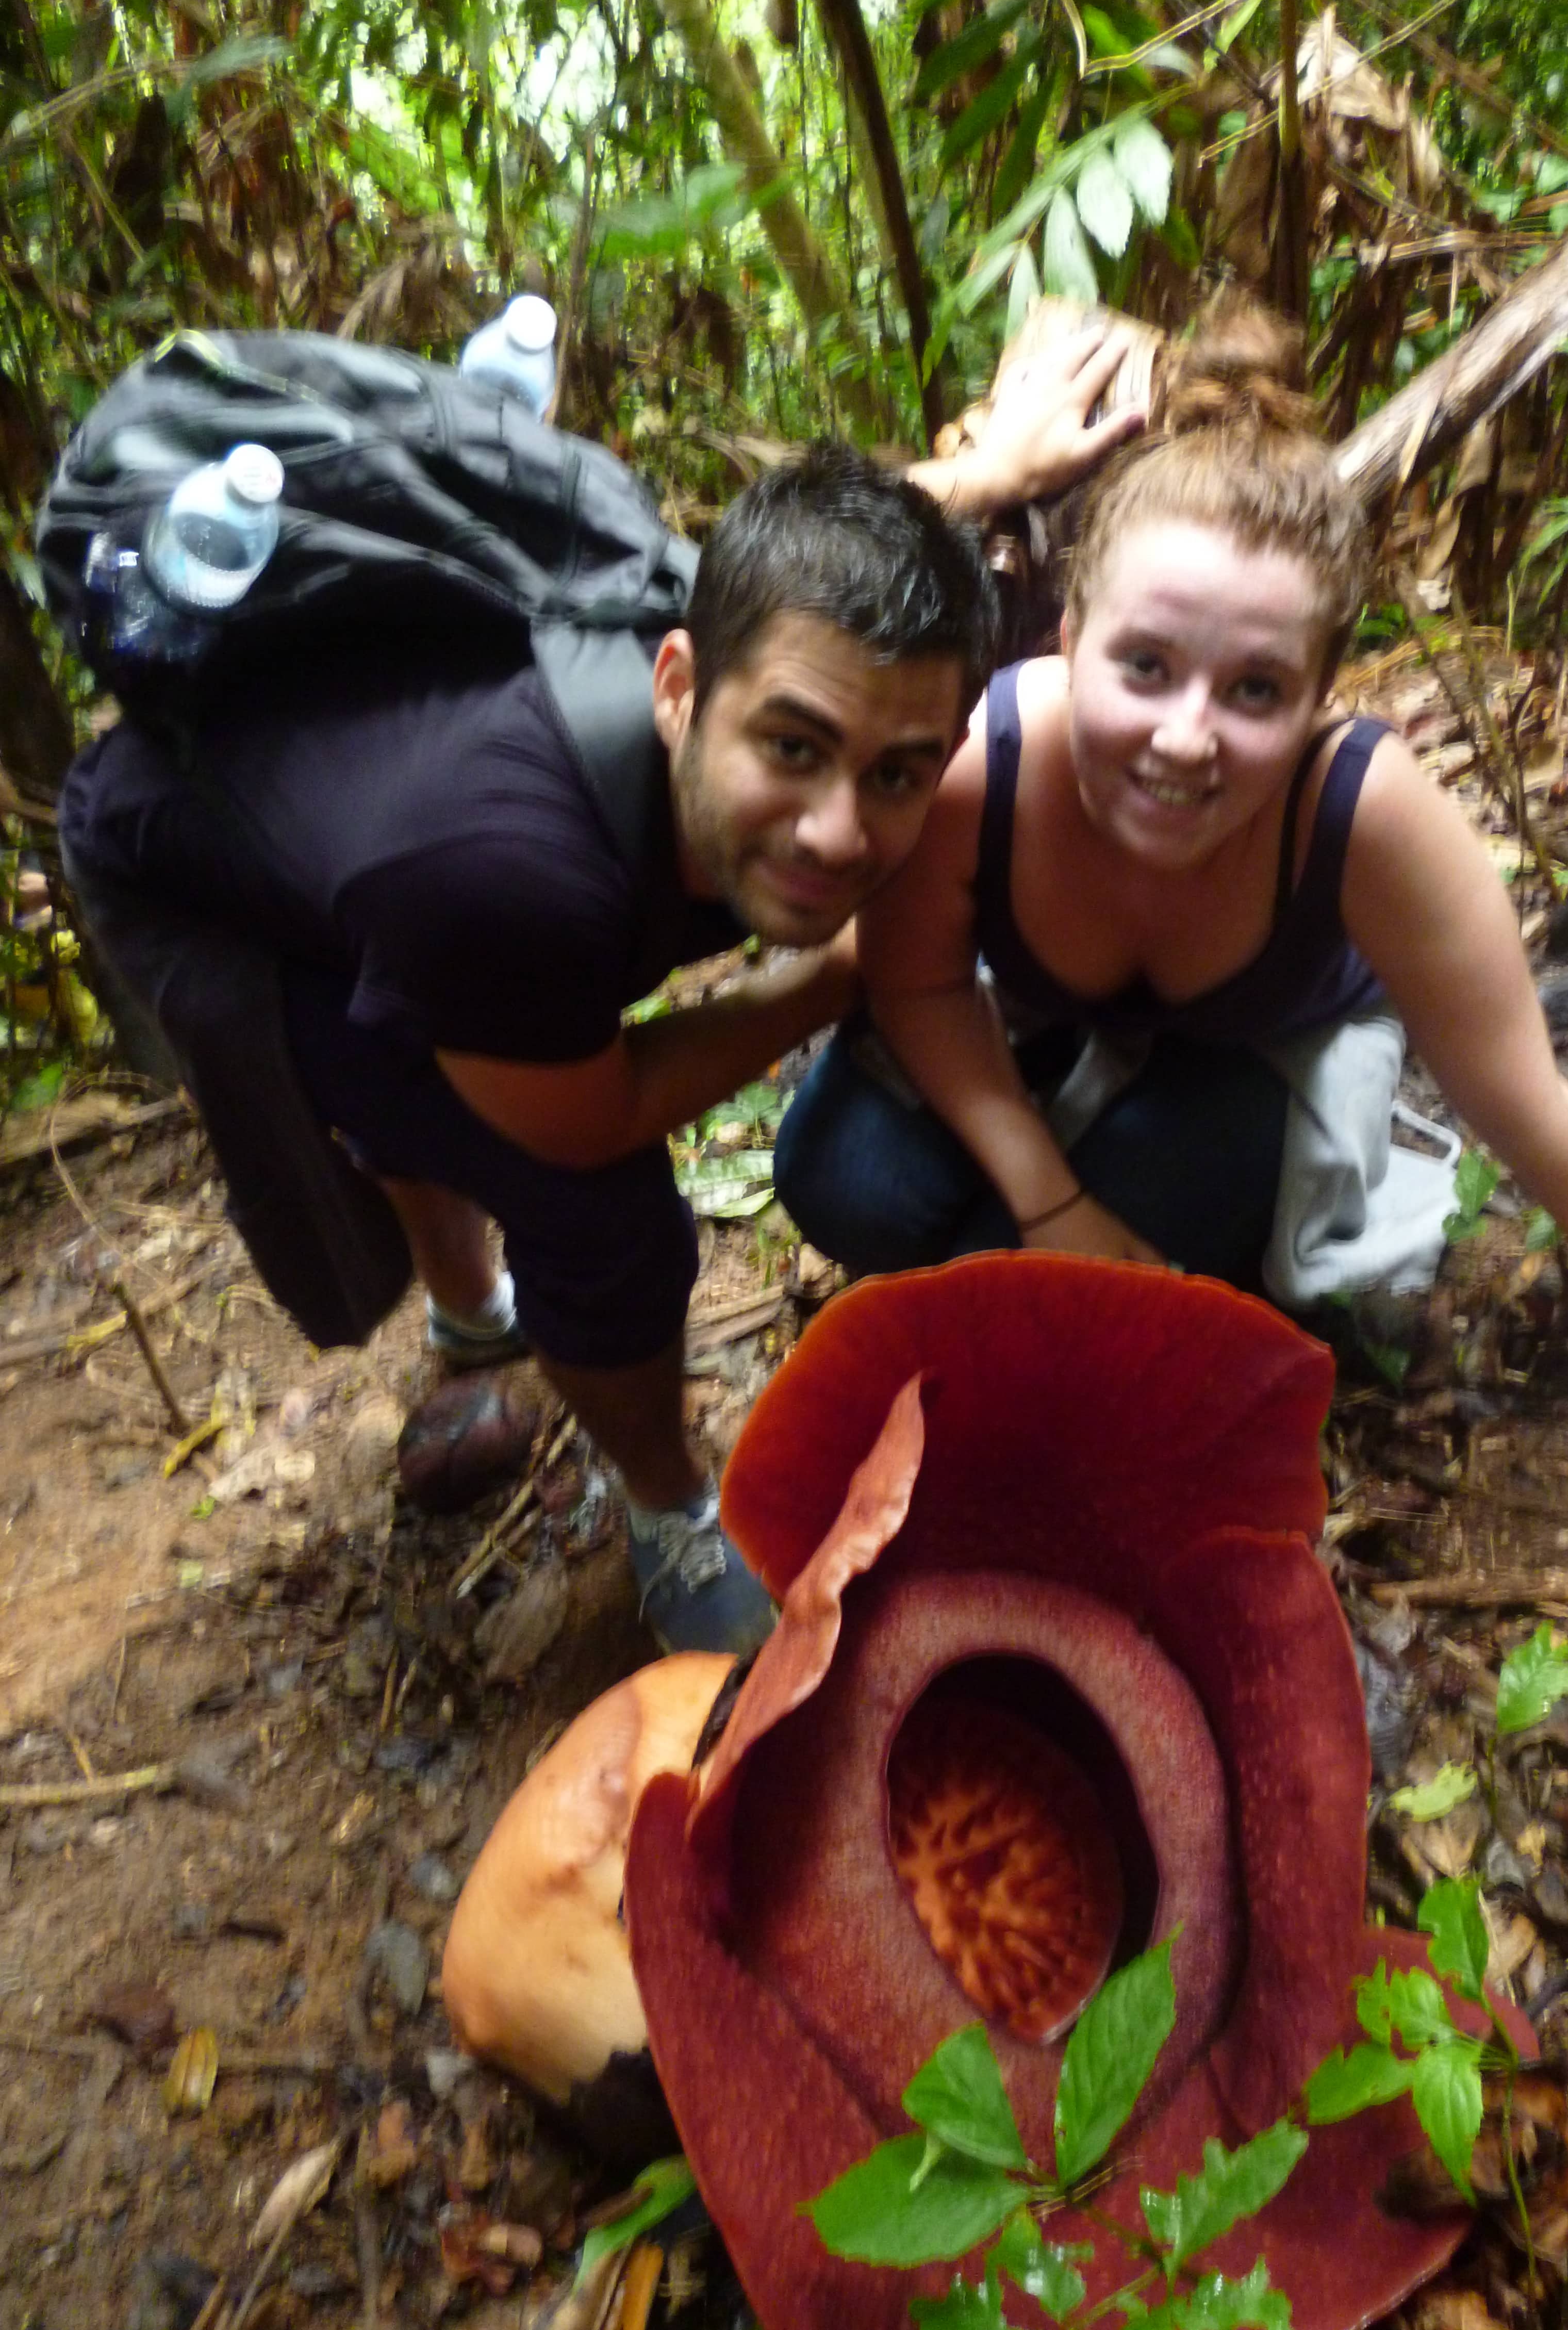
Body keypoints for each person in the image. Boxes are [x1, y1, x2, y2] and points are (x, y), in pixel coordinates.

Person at [56, 332, 1148, 1658]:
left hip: (368, 835)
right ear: (680, 688)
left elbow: (825, 595)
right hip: (206, 885)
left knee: (457, 1035)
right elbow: (591, 1117)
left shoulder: (742, 632)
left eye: (900, 773)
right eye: (794, 750)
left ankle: (472, 1326)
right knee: (592, 1207)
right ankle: (667, 1504)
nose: (836, 832)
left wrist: (990, 476)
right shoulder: (512, 874)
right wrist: (838, 979)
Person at [774, 294, 1568, 1482]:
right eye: (1144, 668)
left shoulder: (1364, 816)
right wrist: (1052, 1204)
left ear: (1320, 695)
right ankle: (1032, 1233)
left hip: (1248, 1067)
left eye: (1255, 691)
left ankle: (1090, 1258)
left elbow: (1520, 1097)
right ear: (1068, 633)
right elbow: (923, 987)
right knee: (840, 1175)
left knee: (1033, 1274)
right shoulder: (980, 765)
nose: (1185, 739)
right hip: (1044, 1028)